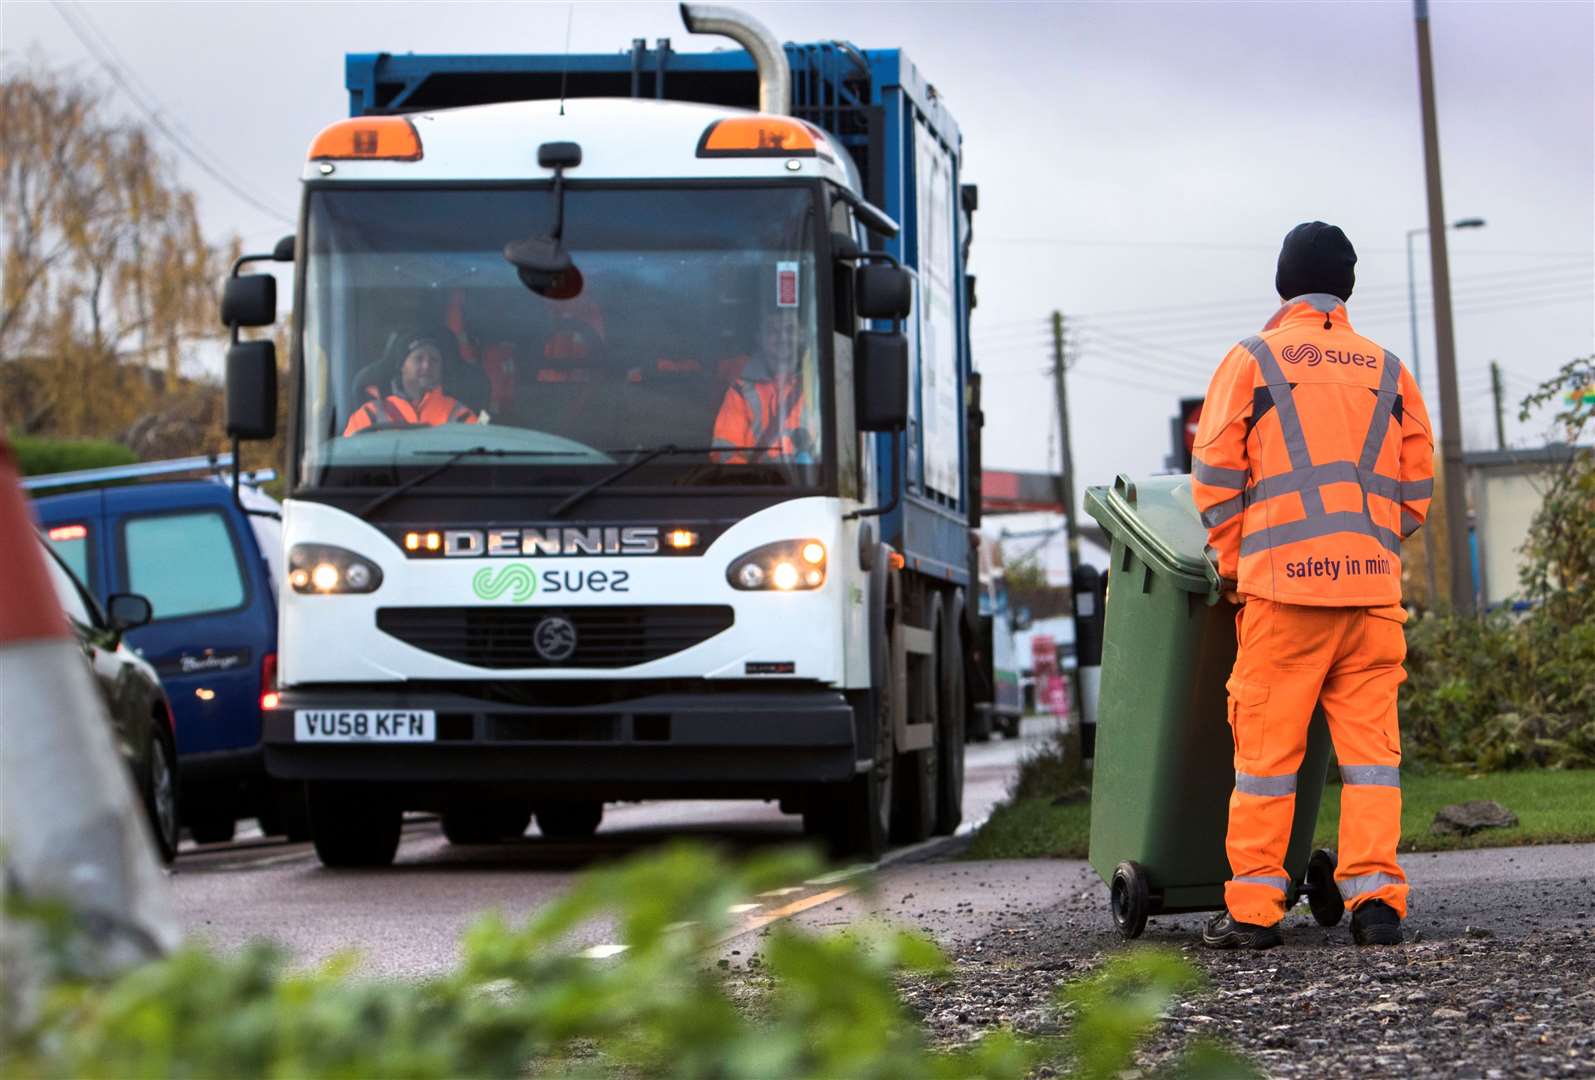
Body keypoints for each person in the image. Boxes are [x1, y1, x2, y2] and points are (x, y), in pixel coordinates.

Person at [1190, 222, 1435, 950]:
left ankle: (1254, 913)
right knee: (1370, 762)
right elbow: (1416, 487)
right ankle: (1375, 906)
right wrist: (1368, 545)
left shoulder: (1252, 360)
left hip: (1282, 599)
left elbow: (1213, 475)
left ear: (1281, 283)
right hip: (1369, 599)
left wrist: (1239, 560)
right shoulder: (1389, 370)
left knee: (1267, 761)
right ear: (1347, 287)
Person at [711, 307, 817, 463]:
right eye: (773, 331)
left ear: (801, 335)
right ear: (759, 338)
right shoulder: (741, 391)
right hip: (759, 484)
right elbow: (725, 455)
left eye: (790, 329)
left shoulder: (819, 383)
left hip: (813, 485)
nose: (782, 337)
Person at [343, 329, 478, 436]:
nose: (426, 366)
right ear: (402, 366)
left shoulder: (461, 416)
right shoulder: (370, 415)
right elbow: (348, 461)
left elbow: (479, 462)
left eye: (434, 360)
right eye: (419, 359)